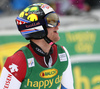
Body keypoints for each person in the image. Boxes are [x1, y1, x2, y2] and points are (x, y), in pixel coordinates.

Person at [0, 3, 74, 89]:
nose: (58, 25)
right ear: (37, 26)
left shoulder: (62, 53)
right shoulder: (17, 61)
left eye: (57, 19)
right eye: (52, 20)